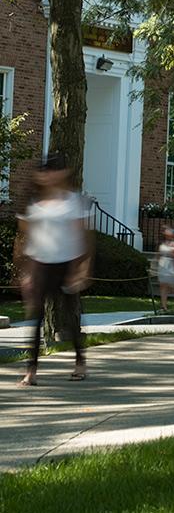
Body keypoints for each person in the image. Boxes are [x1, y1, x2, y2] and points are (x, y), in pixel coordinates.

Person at [16, 153, 93, 386]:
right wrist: (25, 273)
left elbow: (84, 237)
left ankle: (80, 361)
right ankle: (31, 370)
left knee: (70, 318)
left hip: (66, 264)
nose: (47, 175)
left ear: (63, 173)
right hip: (40, 265)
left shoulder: (72, 201)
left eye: (53, 170)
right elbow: (23, 237)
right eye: (44, 171)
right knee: (36, 318)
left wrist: (81, 269)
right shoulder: (33, 203)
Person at [157, 226, 174, 311]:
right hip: (162, 264)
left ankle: (168, 303)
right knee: (163, 285)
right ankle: (163, 305)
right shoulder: (162, 243)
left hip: (171, 264)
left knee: (170, 285)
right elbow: (158, 255)